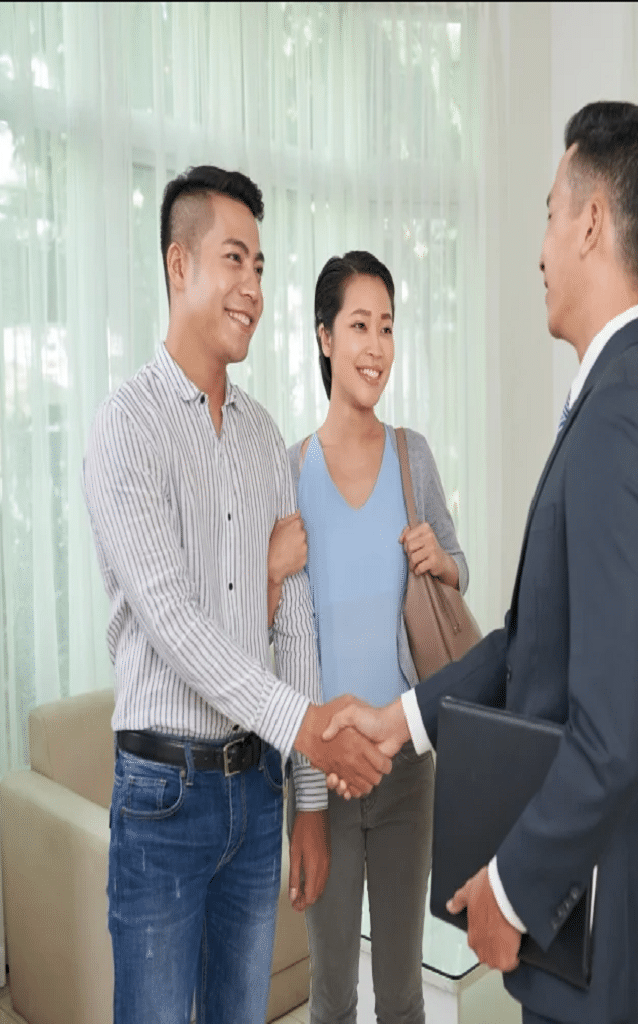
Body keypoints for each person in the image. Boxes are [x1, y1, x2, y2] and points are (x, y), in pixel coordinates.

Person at [324, 101, 638, 1024]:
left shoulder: (621, 417)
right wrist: (403, 717)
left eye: (545, 213)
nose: (537, 249)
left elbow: (611, 737)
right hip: (591, 903)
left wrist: (515, 890)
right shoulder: (621, 394)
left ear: (592, 223)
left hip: (583, 905)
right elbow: (534, 641)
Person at [81, 166, 396, 1024]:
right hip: (162, 797)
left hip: (255, 797)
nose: (255, 289)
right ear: (180, 266)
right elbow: (174, 620)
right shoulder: (126, 427)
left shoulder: (263, 437)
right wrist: (309, 727)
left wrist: (306, 802)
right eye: (236, 261)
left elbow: (291, 623)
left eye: (261, 267)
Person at [266, 250, 470, 1024]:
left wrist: (443, 562)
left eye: (387, 327)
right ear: (324, 337)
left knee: (402, 993)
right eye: (359, 325)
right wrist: (310, 791)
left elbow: (458, 571)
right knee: (332, 994)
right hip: (320, 774)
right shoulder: (286, 472)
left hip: (406, 765)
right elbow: (281, 645)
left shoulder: (412, 455)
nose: (376, 346)